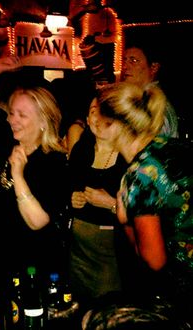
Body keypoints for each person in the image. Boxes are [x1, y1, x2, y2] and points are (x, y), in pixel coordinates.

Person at [0, 56, 69, 285]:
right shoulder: (9, 138)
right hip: (1, 257)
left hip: (34, 265)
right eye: (12, 112)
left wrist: (18, 175)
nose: (13, 120)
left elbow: (37, 221)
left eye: (22, 115)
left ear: (44, 120)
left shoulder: (54, 162)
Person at [96, 81, 193, 324]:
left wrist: (125, 220)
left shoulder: (138, 176)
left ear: (115, 126)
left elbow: (154, 261)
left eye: (100, 117)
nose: (94, 123)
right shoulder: (173, 146)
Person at [68, 94, 128, 310]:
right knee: (78, 308)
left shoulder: (127, 157)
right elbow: (67, 188)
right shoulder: (80, 150)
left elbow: (142, 216)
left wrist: (111, 203)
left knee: (109, 310)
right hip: (78, 251)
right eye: (93, 111)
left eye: (103, 111)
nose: (97, 117)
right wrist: (72, 199)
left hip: (112, 255)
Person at [121, 39, 179, 138]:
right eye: (124, 60)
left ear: (154, 67)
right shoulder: (140, 98)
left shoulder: (155, 104)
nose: (125, 66)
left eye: (133, 61)